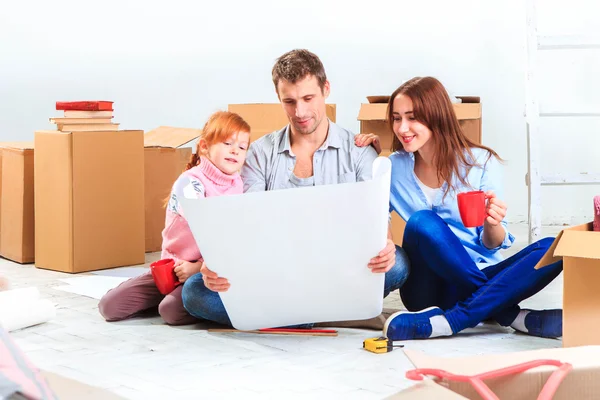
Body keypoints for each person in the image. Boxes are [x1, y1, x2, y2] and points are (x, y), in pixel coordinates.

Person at [181, 49, 411, 327]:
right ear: (279, 99)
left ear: (326, 89)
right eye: (289, 101)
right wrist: (218, 263)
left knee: (398, 263)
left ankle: (285, 315)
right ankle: (332, 314)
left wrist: (384, 246)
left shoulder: (360, 151)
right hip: (276, 272)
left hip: (338, 268)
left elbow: (376, 224)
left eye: (308, 98)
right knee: (195, 291)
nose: (300, 112)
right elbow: (246, 222)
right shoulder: (259, 153)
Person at [358, 76, 563, 340]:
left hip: (477, 272)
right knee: (422, 222)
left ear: (436, 116)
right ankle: (509, 315)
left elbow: (493, 244)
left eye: (412, 117)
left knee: (554, 247)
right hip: (427, 290)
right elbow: (372, 213)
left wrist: (493, 225)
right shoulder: (393, 167)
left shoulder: (480, 162)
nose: (402, 127)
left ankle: (451, 321)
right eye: (397, 118)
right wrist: (366, 156)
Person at [98, 111, 251, 325]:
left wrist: (197, 268)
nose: (235, 150)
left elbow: (230, 238)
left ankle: (173, 300)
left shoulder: (238, 186)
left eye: (242, 147)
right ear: (205, 147)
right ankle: (162, 297)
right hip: (171, 267)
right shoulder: (189, 183)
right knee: (109, 307)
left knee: (171, 312)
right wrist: (185, 268)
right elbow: (205, 227)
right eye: (227, 143)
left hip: (202, 271)